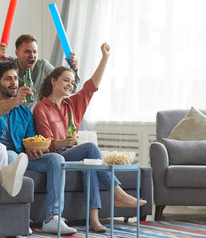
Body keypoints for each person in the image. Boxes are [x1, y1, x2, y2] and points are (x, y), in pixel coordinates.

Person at [33, 43, 147, 232]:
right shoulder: (41, 108)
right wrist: (63, 142)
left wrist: (105, 58)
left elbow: (91, 86)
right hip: (56, 155)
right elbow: (46, 144)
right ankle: (117, 193)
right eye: (65, 80)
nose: (70, 84)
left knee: (91, 165)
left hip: (70, 153)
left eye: (72, 82)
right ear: (53, 81)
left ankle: (94, 220)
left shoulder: (72, 105)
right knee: (91, 149)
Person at [0, 61, 76, 235]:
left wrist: (34, 149)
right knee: (10, 154)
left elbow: (30, 139)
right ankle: (17, 218)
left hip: (20, 157)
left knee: (56, 159)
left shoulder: (24, 112)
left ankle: (53, 218)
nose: (14, 83)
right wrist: (16, 101)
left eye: (16, 78)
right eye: (8, 79)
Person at [0, 34, 80, 111]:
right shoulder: (8, 65)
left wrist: (74, 69)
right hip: (6, 120)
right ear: (17, 53)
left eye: (35, 52)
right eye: (27, 52)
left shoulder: (42, 66)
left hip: (31, 122)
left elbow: (73, 89)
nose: (32, 56)